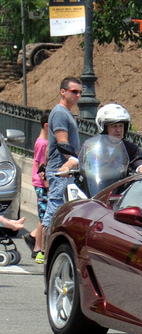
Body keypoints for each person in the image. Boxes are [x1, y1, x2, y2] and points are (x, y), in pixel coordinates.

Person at [40, 77, 83, 264]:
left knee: (64, 211)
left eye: (80, 92)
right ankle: (44, 250)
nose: (78, 95)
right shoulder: (59, 113)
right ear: (63, 92)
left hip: (67, 171)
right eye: (74, 91)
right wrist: (72, 160)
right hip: (61, 171)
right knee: (54, 209)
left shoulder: (66, 113)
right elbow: (62, 142)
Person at [22, 109, 50, 260]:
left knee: (44, 215)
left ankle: (33, 236)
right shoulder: (42, 143)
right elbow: (41, 165)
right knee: (44, 217)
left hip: (41, 183)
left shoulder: (44, 142)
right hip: (41, 183)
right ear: (47, 126)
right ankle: (37, 247)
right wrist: (46, 184)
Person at [95, 103, 142, 173]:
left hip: (122, 183)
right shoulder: (94, 147)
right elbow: (79, 158)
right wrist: (76, 162)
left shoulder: (130, 149)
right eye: (114, 126)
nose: (118, 130)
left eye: (121, 126)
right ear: (105, 128)